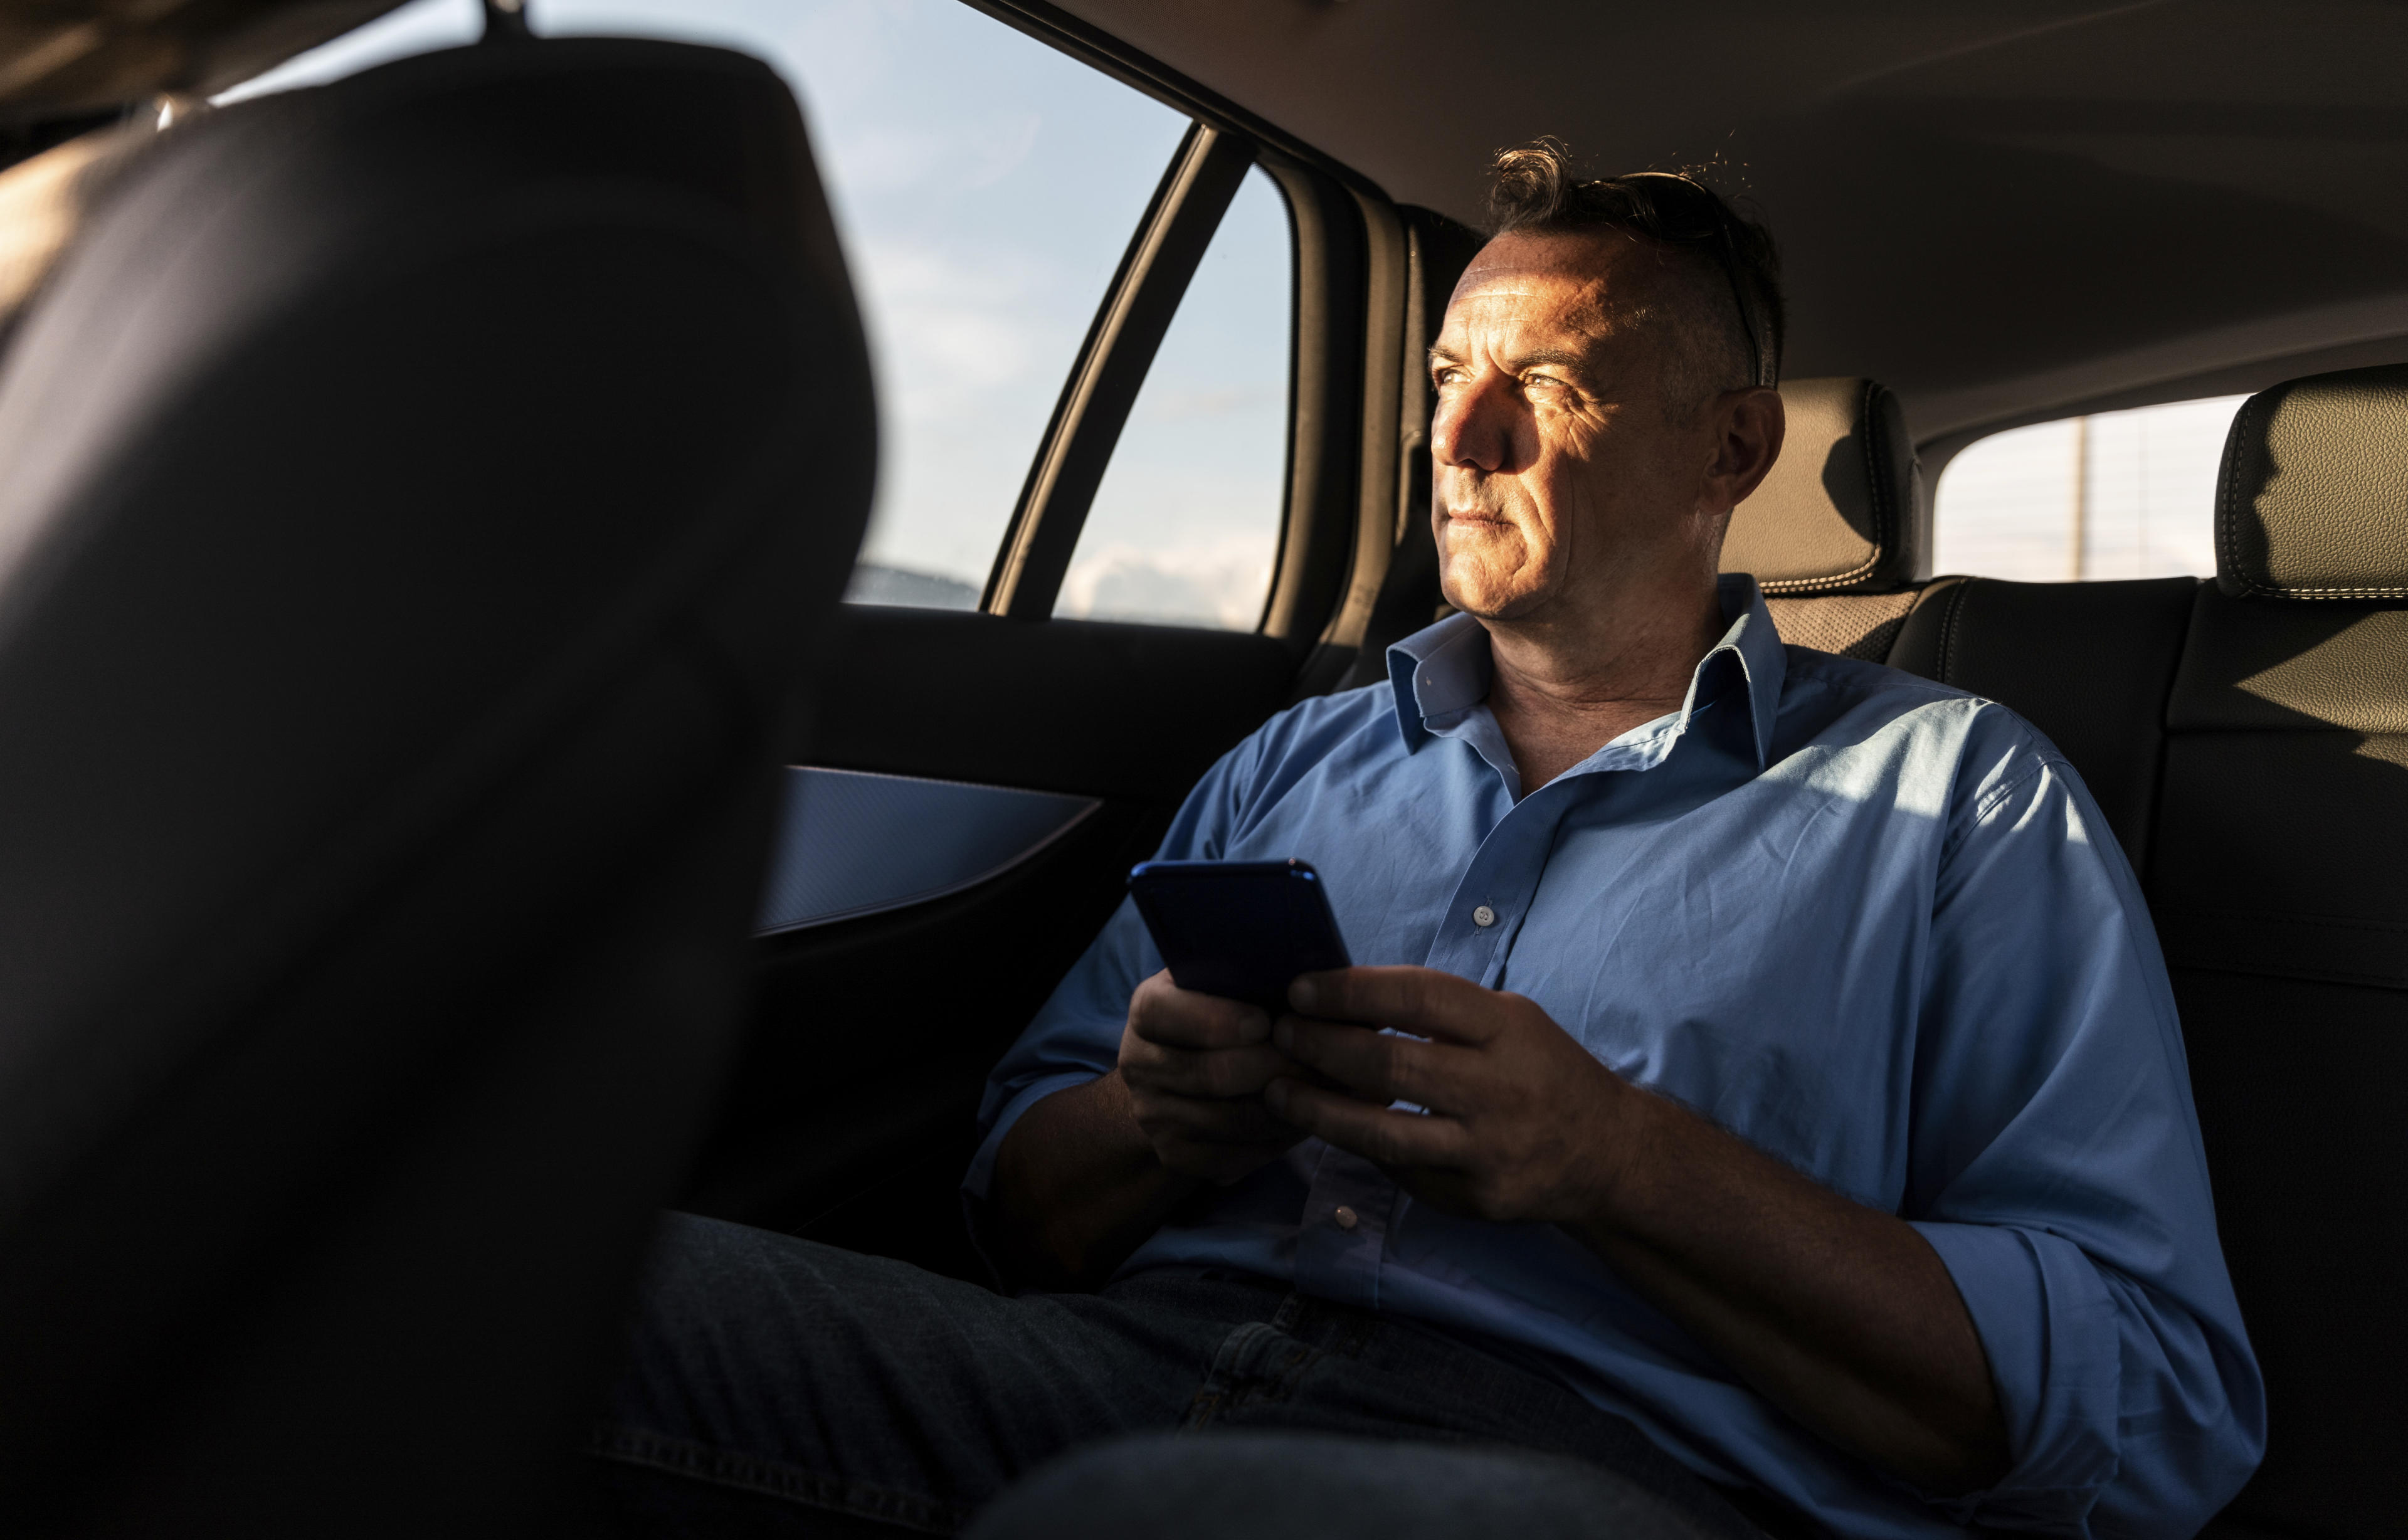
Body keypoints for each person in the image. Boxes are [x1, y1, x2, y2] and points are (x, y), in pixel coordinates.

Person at [593, 145, 2263, 1540]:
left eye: (1541, 386)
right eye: (1453, 379)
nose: (1458, 447)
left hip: (1615, 1470)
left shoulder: (1962, 802)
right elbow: (1022, 1214)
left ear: (1732, 450)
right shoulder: (1292, 761)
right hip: (1112, 1380)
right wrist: (1156, 1116)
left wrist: (1622, 1162)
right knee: (539, 1296)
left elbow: (2159, 1410)